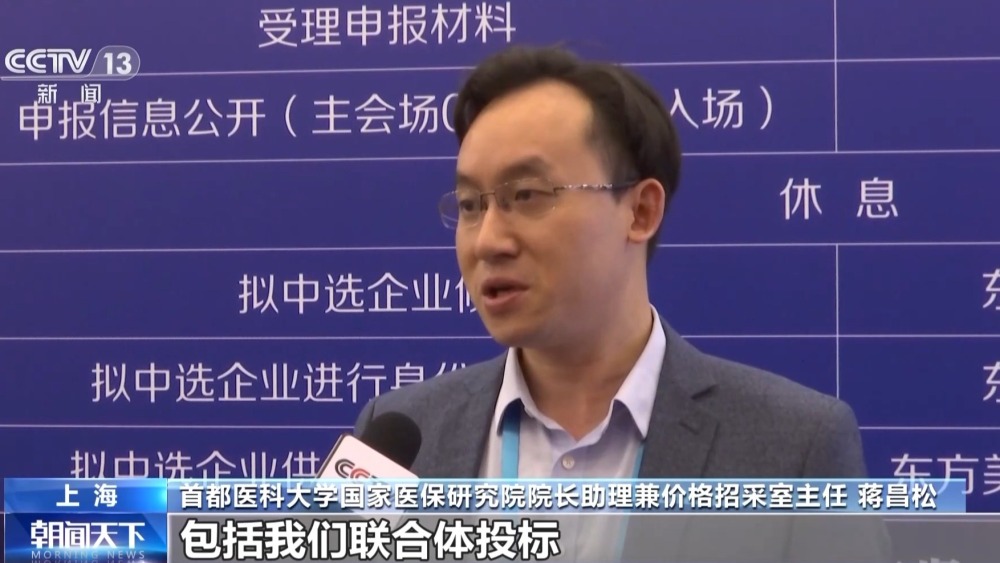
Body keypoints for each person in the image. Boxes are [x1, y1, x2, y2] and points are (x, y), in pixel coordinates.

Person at [353, 45, 891, 562]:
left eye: (527, 196)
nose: (488, 240)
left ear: (640, 211)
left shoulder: (796, 448)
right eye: (471, 205)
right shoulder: (398, 438)